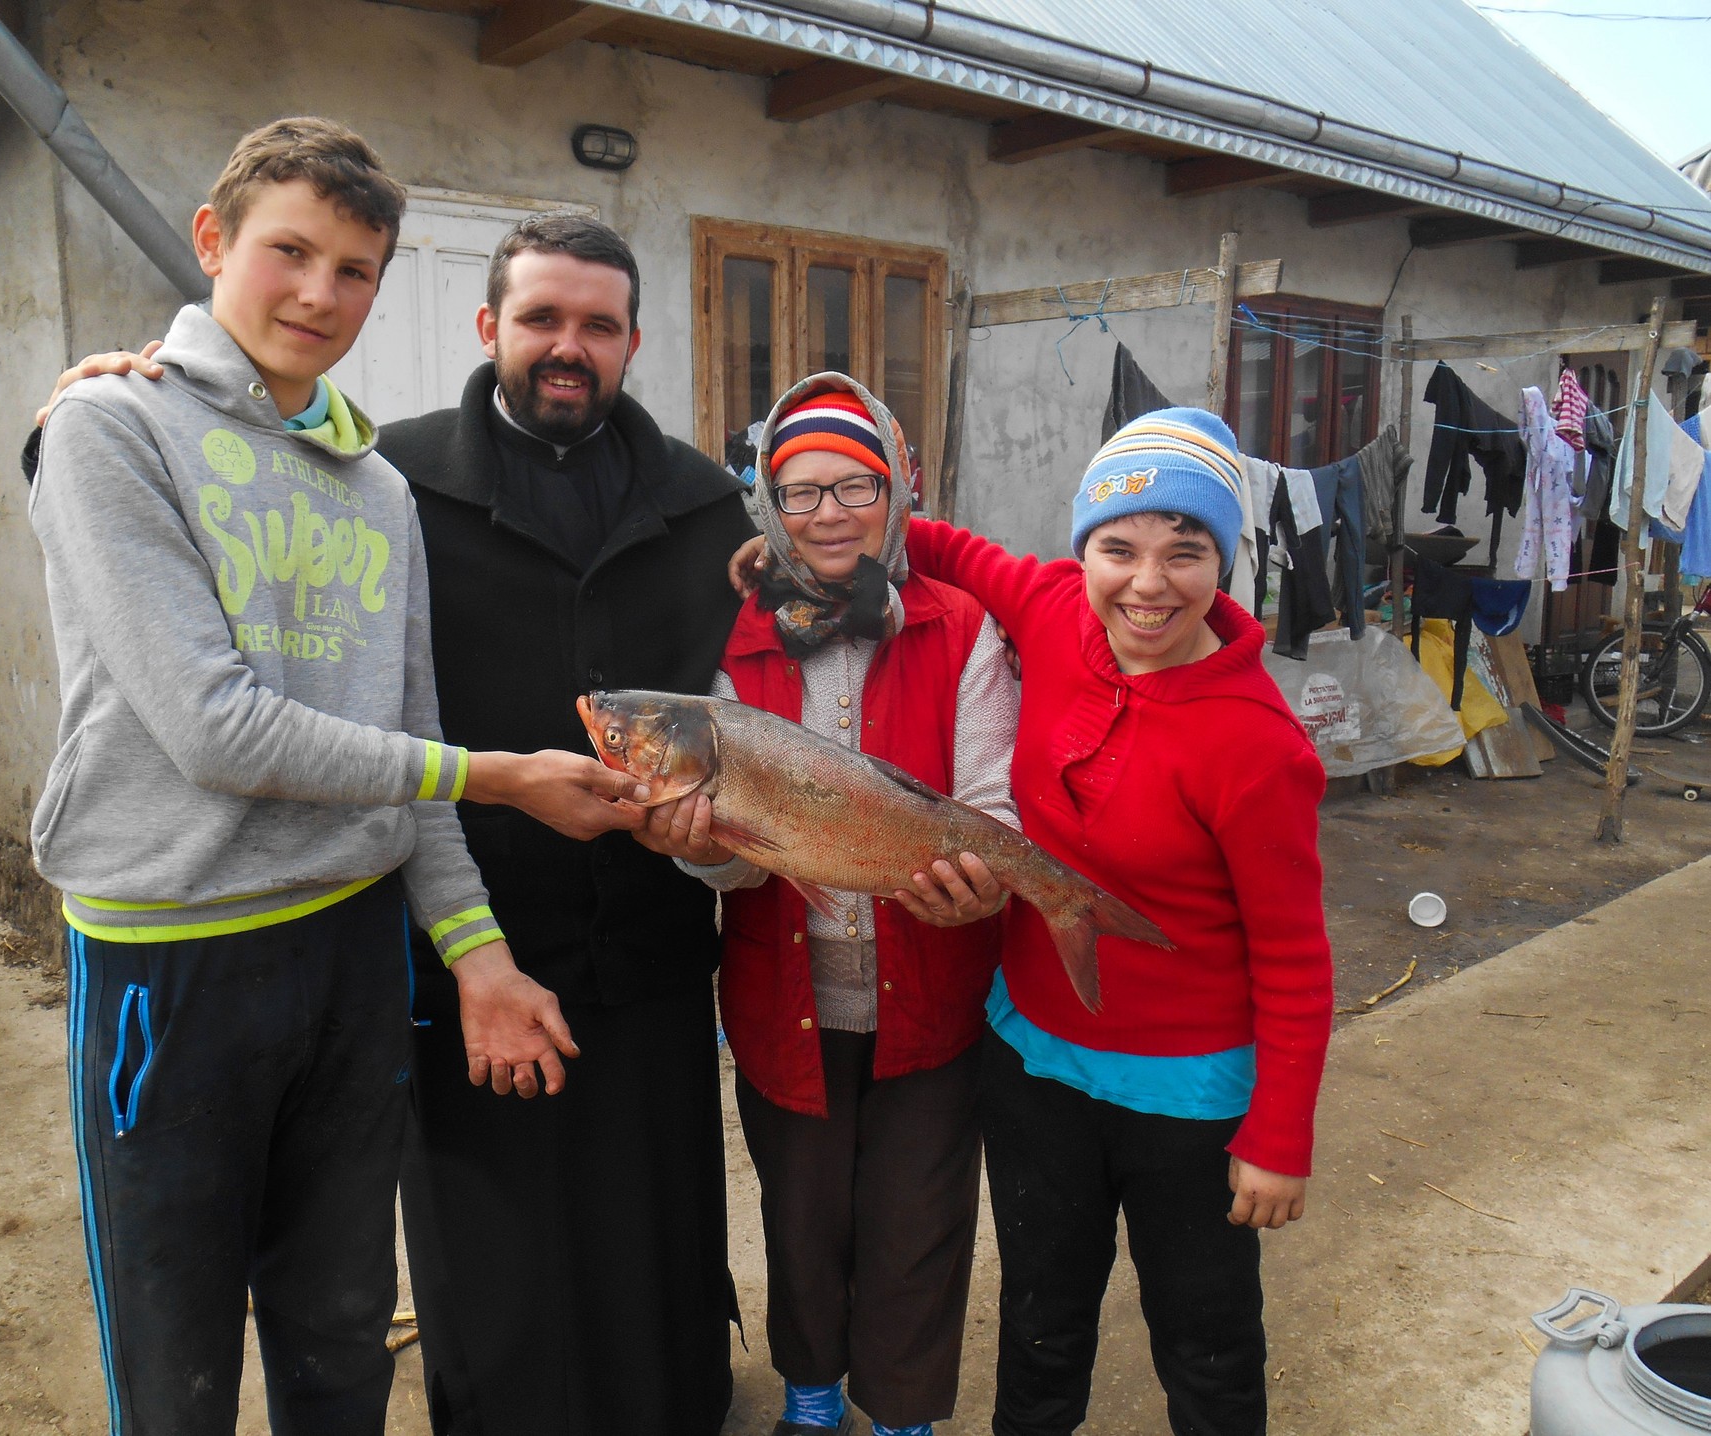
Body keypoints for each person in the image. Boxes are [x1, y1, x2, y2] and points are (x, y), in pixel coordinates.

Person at [26, 119, 642, 1434]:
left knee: (342, 1341)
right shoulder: (109, 427)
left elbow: (397, 738)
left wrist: (475, 953)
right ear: (212, 242)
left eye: (356, 268)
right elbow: (217, 732)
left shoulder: (373, 490)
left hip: (352, 962)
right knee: (176, 1356)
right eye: (288, 251)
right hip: (170, 959)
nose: (319, 293)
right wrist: (500, 775)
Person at [737, 406, 1331, 1436]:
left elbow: (1293, 953)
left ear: (1226, 562)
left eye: (1186, 551)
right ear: (1084, 552)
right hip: (1033, 1065)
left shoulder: (1258, 743)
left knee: (1206, 1330)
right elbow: (935, 537)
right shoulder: (1054, 608)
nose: (1148, 582)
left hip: (1187, 1095)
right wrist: (803, 534)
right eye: (1119, 547)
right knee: (1041, 1318)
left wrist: (1278, 1132)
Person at [374, 213, 754, 1436]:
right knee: (496, 1242)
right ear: (489, 327)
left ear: (634, 339)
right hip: (470, 938)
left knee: (649, 1223)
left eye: (597, 323)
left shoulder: (703, 507)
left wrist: (713, 832)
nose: (567, 346)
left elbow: (770, 674)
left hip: (647, 943)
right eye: (541, 318)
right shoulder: (391, 480)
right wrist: (79, 411)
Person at [640, 374, 1016, 1436]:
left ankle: (898, 1410)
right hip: (781, 1002)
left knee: (918, 1220)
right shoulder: (735, 644)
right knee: (803, 1218)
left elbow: (990, 803)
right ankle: (811, 1393)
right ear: (768, 505)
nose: (829, 513)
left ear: (896, 491)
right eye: (800, 492)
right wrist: (702, 855)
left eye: (855, 484)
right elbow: (738, 857)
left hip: (933, 994)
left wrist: (970, 892)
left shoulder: (958, 627)